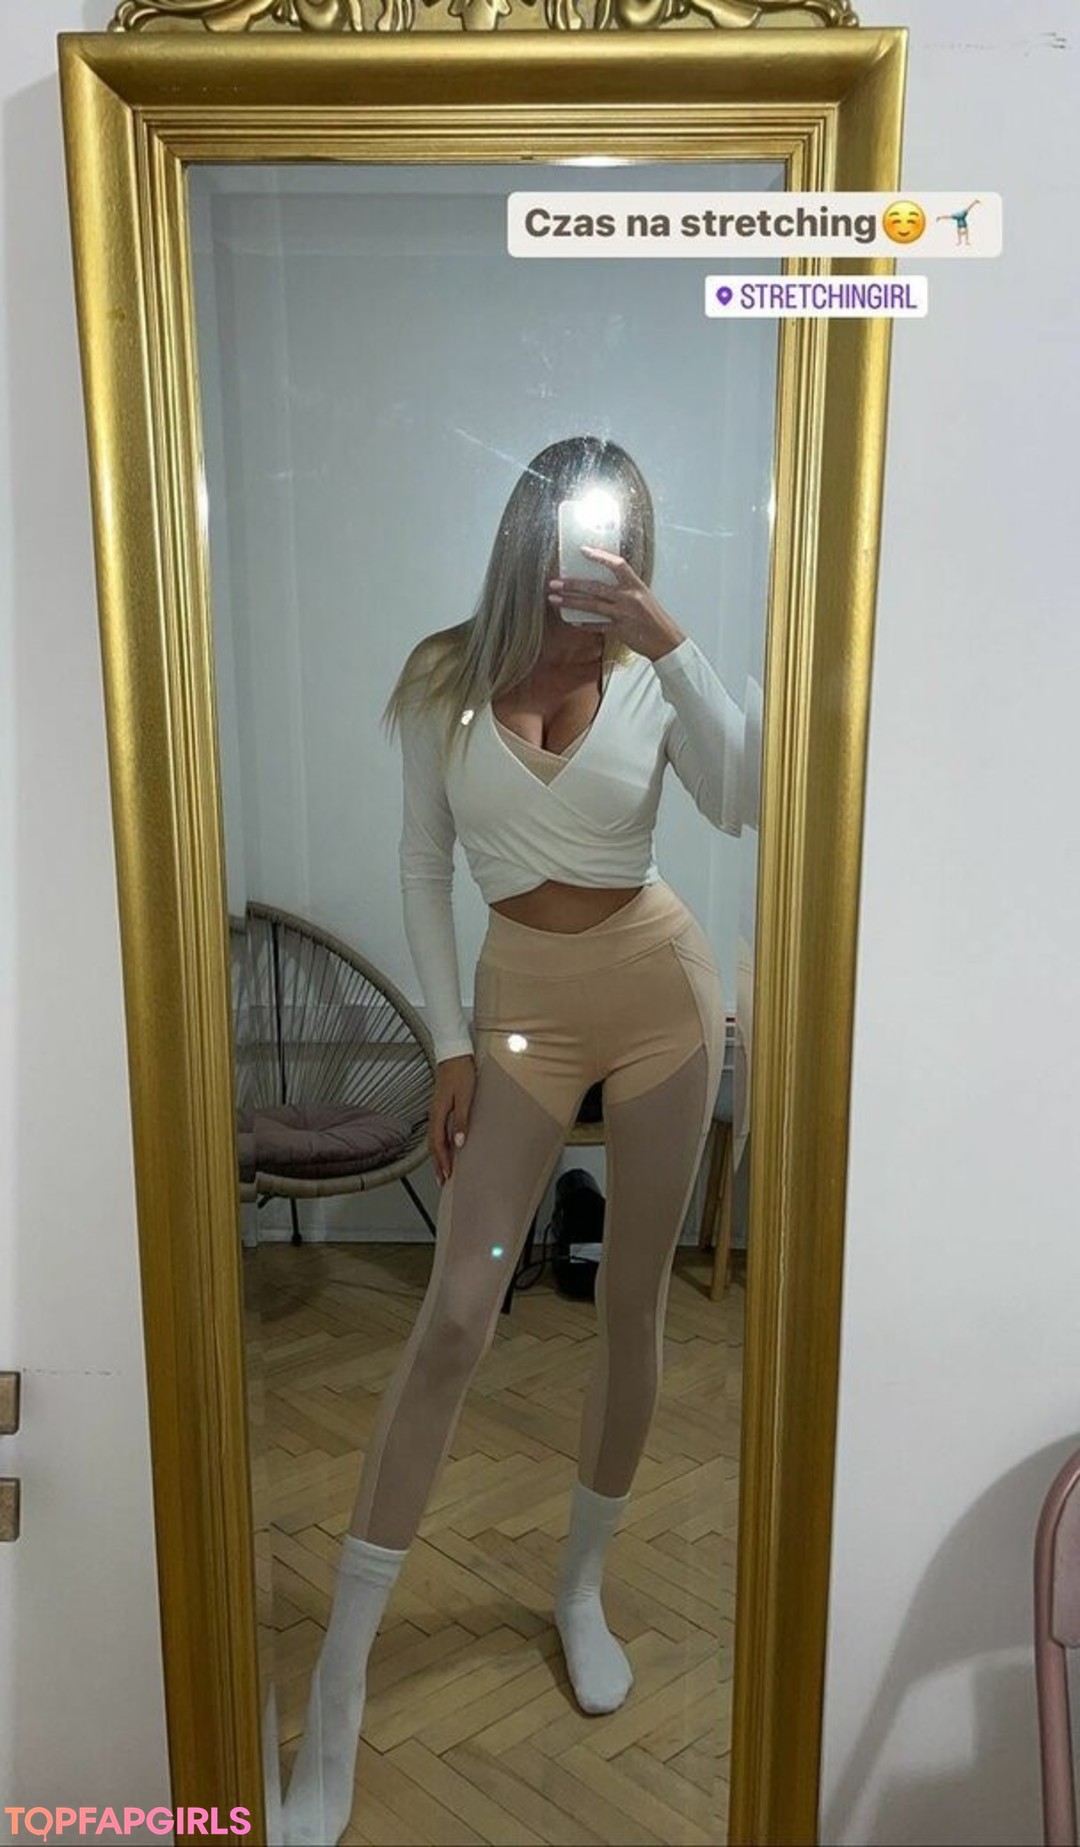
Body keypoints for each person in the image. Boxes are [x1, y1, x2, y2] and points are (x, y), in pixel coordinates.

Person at [281, 434, 760, 1847]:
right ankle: (339, 1682)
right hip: (521, 1024)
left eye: (618, 535)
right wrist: (446, 1045)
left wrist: (669, 638)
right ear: (523, 532)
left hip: (664, 1002)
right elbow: (423, 864)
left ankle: (580, 1586)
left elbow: (742, 797)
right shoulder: (444, 681)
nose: (588, 556)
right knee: (455, 1315)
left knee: (631, 1305)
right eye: (568, 528)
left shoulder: (652, 674)